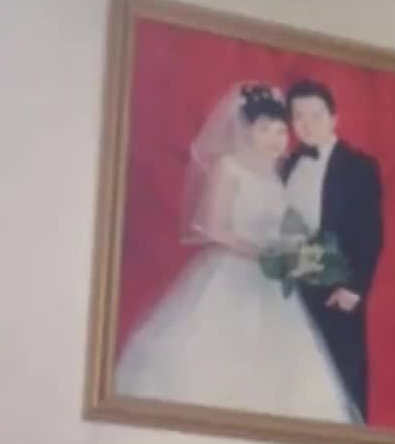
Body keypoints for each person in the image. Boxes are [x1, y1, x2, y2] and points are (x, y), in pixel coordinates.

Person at [115, 84, 356, 424]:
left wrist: (299, 253)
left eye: (280, 131)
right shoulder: (228, 167)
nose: (275, 139)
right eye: (264, 130)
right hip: (230, 273)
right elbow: (213, 228)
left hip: (272, 283)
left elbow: (288, 227)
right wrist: (262, 253)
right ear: (246, 130)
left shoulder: (278, 174)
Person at [283, 82, 383, 423]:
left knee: (341, 386)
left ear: (334, 118)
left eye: (316, 115)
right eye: (299, 117)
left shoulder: (359, 167)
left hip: (337, 293)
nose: (307, 124)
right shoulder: (287, 165)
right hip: (291, 294)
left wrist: (354, 288)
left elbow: (371, 233)